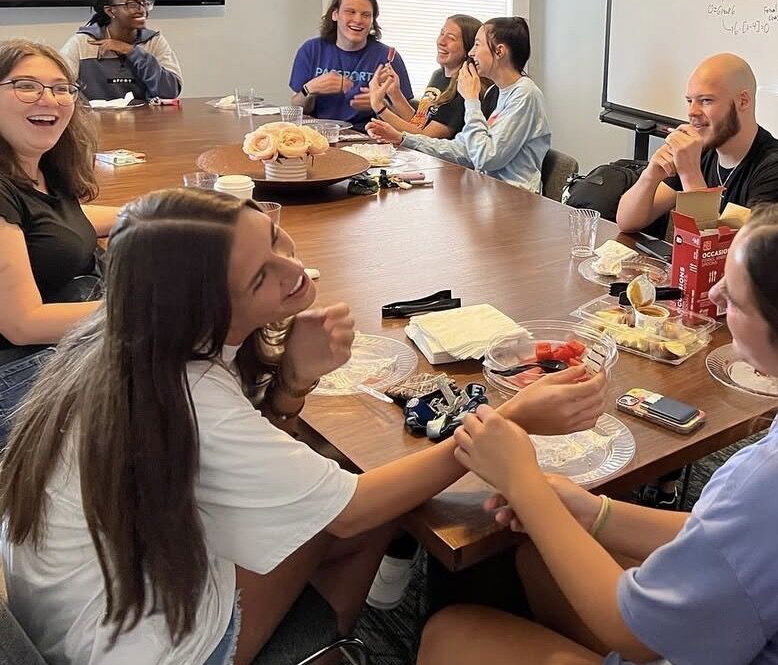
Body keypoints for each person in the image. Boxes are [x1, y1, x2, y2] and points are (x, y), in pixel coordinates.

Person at [0, 188, 608, 664]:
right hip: (148, 646)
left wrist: (291, 379)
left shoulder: (123, 338)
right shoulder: (192, 392)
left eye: (274, 239)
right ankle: (326, 651)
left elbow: (234, 457)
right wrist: (504, 422)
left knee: (339, 493)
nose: (292, 268)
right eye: (260, 276)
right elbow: (350, 508)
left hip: (80, 612)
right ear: (203, 308)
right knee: (369, 500)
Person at [422, 200, 778, 665]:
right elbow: (727, 540)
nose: (716, 297)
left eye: (736, 296)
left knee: (454, 632)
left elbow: (631, 631)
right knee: (536, 558)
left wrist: (523, 479)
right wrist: (591, 512)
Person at [0, 40, 118, 446]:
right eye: (26, 86)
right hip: (15, 382)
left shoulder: (38, 169)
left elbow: (61, 224)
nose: (48, 99)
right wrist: (150, 307)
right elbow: (22, 323)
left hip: (53, 357)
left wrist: (170, 212)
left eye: (61, 87)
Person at [615, 53, 778, 234]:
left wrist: (690, 174)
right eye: (689, 101)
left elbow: (730, 259)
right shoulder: (702, 152)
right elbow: (627, 222)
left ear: (743, 101)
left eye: (706, 100)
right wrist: (651, 175)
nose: (692, 112)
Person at [367, 17, 550, 194]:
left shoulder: (526, 94)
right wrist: (403, 138)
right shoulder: (498, 91)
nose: (471, 53)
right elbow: (463, 149)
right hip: (487, 192)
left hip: (516, 200)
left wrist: (471, 101)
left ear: (499, 51)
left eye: (477, 45)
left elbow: (486, 158)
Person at [288, 0, 413, 131]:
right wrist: (310, 89)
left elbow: (408, 120)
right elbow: (297, 108)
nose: (358, 20)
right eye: (350, 12)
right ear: (335, 14)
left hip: (370, 138)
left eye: (366, 15)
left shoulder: (388, 57)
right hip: (319, 134)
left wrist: (380, 105)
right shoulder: (311, 49)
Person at [369, 15, 498, 139]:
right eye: (442, 34)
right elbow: (419, 123)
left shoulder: (465, 86)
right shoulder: (438, 76)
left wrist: (380, 108)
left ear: (468, 49)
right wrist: (394, 93)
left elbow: (426, 137)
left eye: (451, 38)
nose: (441, 41)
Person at [59, 0, 183, 101]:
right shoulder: (83, 43)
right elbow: (59, 86)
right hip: (95, 118)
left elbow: (170, 91)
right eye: (132, 4)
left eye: (144, 3)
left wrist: (133, 52)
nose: (142, 10)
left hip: (145, 119)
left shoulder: (153, 41)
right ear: (110, 11)